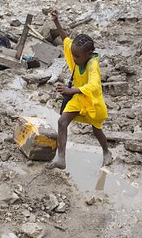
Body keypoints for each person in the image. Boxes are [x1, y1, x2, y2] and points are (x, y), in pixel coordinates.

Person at [46, 10, 112, 170]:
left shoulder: (92, 65)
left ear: (89, 54)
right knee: (62, 122)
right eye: (73, 55)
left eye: (77, 56)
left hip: (92, 102)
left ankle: (106, 151)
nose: (73, 58)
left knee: (97, 131)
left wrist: (71, 91)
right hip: (78, 99)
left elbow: (94, 86)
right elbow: (66, 40)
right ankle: (60, 158)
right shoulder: (77, 54)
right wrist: (56, 22)